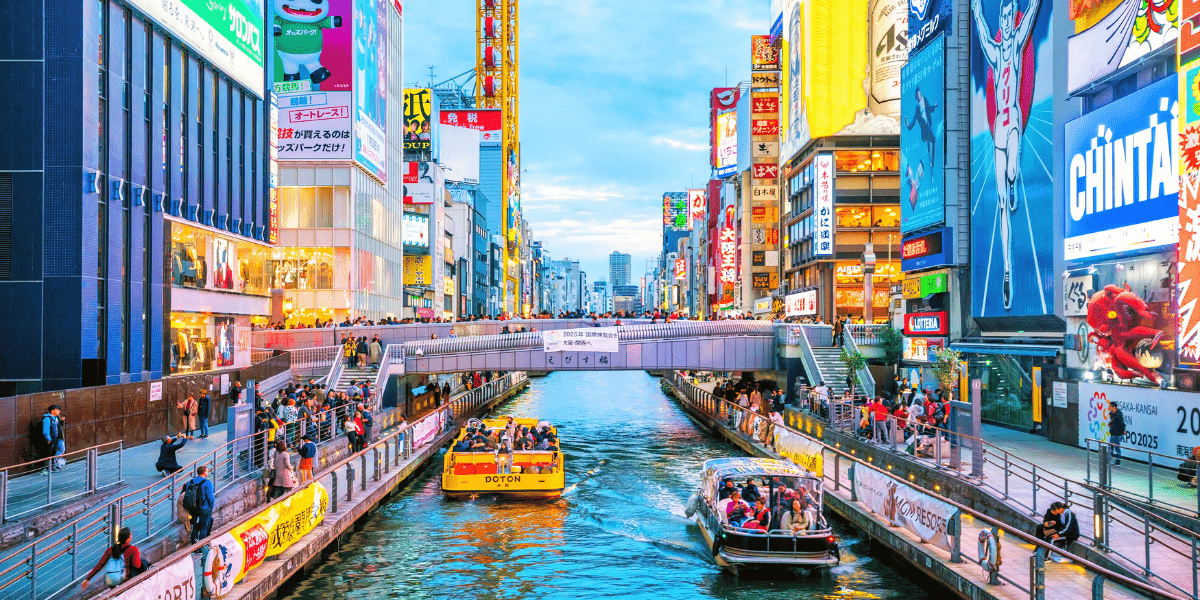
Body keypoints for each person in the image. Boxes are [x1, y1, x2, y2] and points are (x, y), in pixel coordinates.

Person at [971, 0, 1043, 309]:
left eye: (1008, 13)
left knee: (1012, 171)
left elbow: (1030, 15)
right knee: (1001, 203)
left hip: (1013, 119)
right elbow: (983, 32)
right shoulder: (995, 54)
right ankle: (1008, 273)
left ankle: (1013, 178)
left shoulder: (1015, 49)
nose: (1006, 19)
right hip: (999, 127)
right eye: (1002, 15)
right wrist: (975, 9)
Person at [184, 466, 215, 544]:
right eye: (207, 471)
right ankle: (202, 547)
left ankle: (194, 547)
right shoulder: (207, 483)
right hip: (205, 508)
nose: (207, 473)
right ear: (204, 472)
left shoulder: (190, 482)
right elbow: (210, 497)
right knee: (203, 528)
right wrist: (211, 506)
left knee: (195, 527)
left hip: (193, 508)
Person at [40, 405, 65, 471]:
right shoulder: (47, 419)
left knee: (54, 453)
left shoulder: (57, 418)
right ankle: (44, 469)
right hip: (51, 440)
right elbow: (45, 431)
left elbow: (59, 427)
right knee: (48, 454)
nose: (59, 411)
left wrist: (62, 421)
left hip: (56, 438)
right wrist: (49, 439)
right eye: (57, 409)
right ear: (52, 410)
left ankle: (53, 466)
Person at [1108, 401, 1126, 465]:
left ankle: (1118, 460)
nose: (1109, 408)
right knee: (1110, 447)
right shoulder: (1112, 414)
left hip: (1117, 433)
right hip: (1113, 433)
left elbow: (1122, 424)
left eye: (1110, 406)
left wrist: (1122, 431)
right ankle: (1109, 459)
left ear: (1114, 407)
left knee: (1116, 448)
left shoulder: (1118, 415)